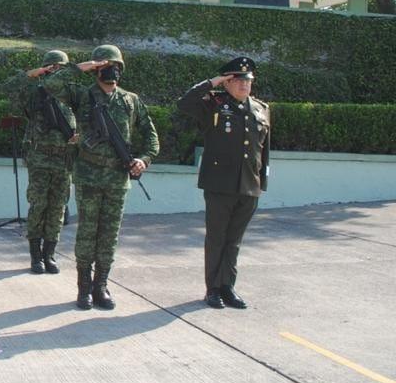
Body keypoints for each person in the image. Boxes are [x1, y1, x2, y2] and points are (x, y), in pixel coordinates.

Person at [42, 45, 158, 311]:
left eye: (116, 66)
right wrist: (82, 66)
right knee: (86, 233)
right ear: (97, 69)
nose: (112, 70)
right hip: (88, 176)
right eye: (106, 66)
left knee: (109, 235)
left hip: (117, 177)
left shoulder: (130, 100)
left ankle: (101, 286)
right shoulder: (82, 96)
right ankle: (83, 289)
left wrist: (145, 159)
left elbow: (150, 135)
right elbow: (50, 85)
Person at [177, 56, 269, 310]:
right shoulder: (213, 105)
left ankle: (228, 286)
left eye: (247, 80)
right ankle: (213, 289)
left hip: (249, 185)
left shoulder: (261, 109)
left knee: (234, 240)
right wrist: (212, 82)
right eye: (237, 80)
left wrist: (262, 182)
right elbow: (184, 103)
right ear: (227, 83)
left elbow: (264, 150)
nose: (243, 85)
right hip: (219, 185)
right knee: (217, 238)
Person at [1, 50, 77, 275]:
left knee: (57, 208)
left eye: (60, 68)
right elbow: (9, 88)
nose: (56, 71)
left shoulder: (73, 94)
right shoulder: (35, 93)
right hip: (40, 158)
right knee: (38, 206)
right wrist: (32, 75)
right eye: (51, 67)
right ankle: (36, 256)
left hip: (64, 159)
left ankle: (49, 254)